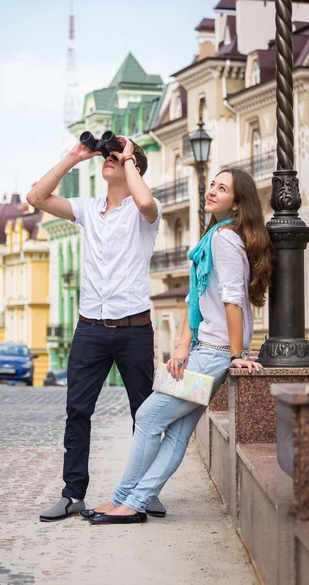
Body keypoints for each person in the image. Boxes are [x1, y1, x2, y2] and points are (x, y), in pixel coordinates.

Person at [85, 167, 273, 524]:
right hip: (204, 351)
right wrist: (183, 349)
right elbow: (196, 300)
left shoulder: (225, 240)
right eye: (213, 185)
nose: (213, 190)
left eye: (223, 188)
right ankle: (134, 501)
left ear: (238, 204)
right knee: (177, 431)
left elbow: (233, 300)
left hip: (215, 353)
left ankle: (126, 499)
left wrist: (236, 355)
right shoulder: (213, 238)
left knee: (148, 417)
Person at [26, 134, 165, 521]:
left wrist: (130, 156)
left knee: (144, 413)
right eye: (108, 154)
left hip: (135, 329)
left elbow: (144, 200)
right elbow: (36, 198)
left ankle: (144, 492)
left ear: (133, 166)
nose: (110, 158)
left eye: (118, 156)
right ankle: (73, 495)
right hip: (90, 328)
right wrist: (73, 157)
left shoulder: (147, 212)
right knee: (77, 411)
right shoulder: (88, 208)